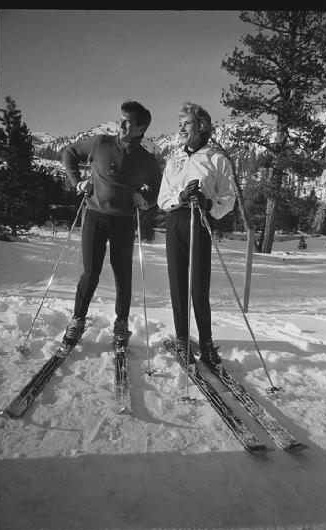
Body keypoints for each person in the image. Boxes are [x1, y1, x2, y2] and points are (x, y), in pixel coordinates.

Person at [62, 100, 162, 346]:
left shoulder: (148, 160)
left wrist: (146, 200)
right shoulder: (100, 143)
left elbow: (161, 190)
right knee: (90, 273)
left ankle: (121, 324)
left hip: (125, 223)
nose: (121, 124)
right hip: (95, 217)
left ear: (141, 129)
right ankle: (77, 320)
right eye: (122, 119)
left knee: (123, 274)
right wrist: (78, 182)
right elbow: (69, 154)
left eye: (128, 122)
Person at [158, 102, 236, 366]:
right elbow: (162, 198)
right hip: (176, 222)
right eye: (180, 123)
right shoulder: (174, 159)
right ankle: (182, 340)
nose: (181, 128)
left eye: (186, 123)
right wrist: (180, 196)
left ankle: (206, 342)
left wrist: (207, 203)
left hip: (200, 222)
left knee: (199, 288)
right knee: (178, 286)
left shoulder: (217, 159)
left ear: (201, 126)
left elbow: (228, 199)